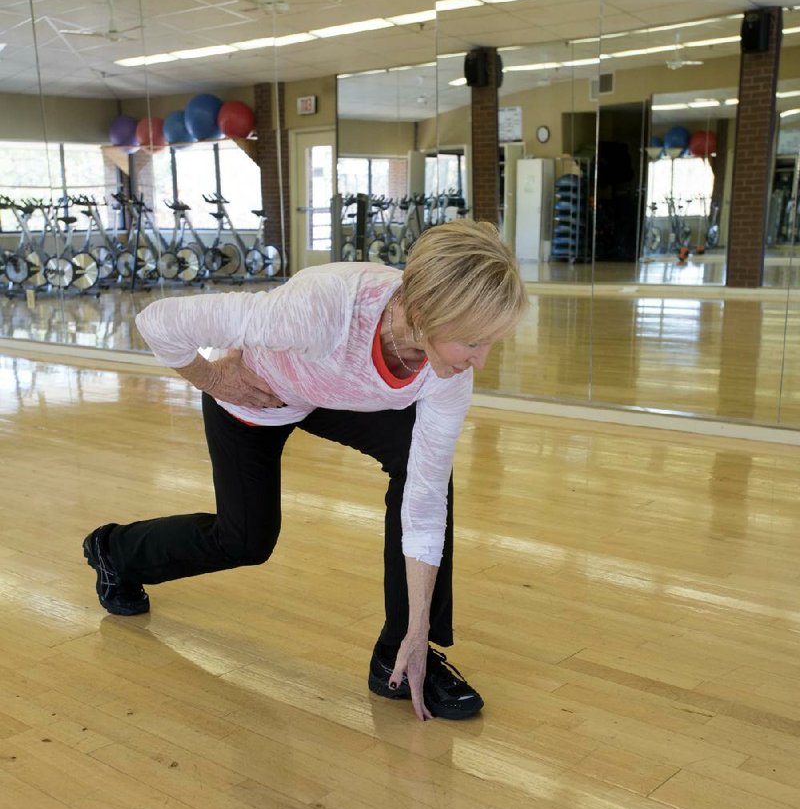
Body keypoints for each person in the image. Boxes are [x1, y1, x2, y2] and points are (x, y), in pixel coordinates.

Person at [83, 220, 527, 721]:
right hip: (261, 392)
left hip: (332, 392)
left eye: (490, 343)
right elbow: (158, 321)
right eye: (471, 342)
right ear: (424, 314)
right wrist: (213, 381)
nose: (481, 361)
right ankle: (115, 551)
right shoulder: (320, 311)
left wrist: (419, 627)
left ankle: (401, 655)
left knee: (422, 469)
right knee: (246, 540)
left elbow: (424, 504)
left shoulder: (448, 373)